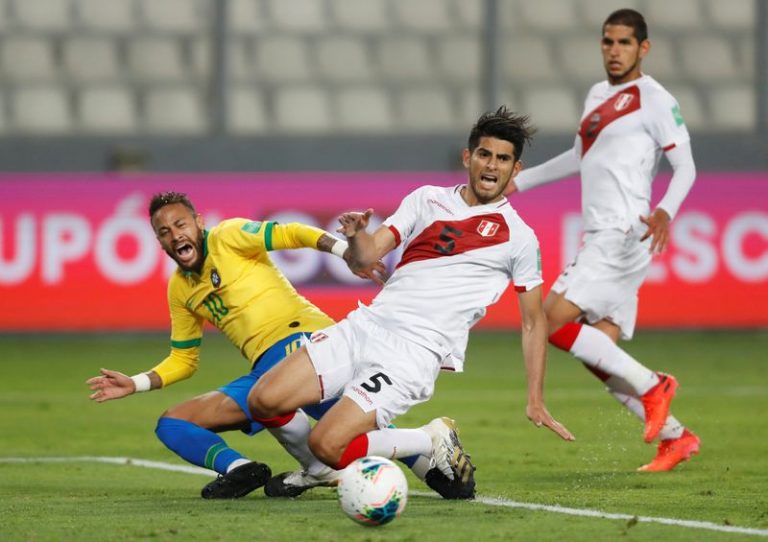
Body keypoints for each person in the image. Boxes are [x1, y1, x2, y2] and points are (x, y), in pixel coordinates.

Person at [246, 107, 575, 498]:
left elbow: (534, 321)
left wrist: (535, 398)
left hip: (412, 353)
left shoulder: (519, 237)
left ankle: (427, 438)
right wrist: (356, 236)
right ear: (467, 158)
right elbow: (367, 258)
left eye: (503, 159)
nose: (492, 165)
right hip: (366, 326)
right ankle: (320, 471)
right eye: (485, 154)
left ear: (515, 169)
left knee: (328, 442)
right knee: (263, 400)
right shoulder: (427, 199)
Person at [86, 192, 436, 499]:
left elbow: (292, 232)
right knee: (173, 424)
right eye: (164, 232)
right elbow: (184, 359)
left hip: (306, 342)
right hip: (265, 371)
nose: (175, 234)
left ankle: (423, 450)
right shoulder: (180, 289)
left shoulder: (228, 236)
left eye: (180, 224)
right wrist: (137, 382)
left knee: (337, 420)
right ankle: (241, 469)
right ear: (160, 243)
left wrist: (345, 251)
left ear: (198, 222)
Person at [504, 9, 700, 472]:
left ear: (643, 48)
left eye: (625, 43)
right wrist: (520, 182)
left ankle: (655, 386)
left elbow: (686, 166)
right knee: (603, 358)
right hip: (602, 234)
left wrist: (665, 210)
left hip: (622, 233)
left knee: (548, 322)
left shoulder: (654, 99)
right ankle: (677, 438)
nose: (614, 51)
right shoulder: (597, 95)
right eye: (608, 42)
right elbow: (578, 156)